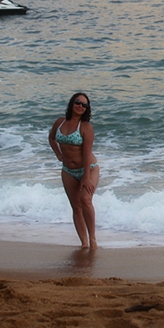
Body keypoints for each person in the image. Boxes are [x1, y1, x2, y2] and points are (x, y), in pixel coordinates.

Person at [49, 92, 99, 248]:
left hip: (88, 168)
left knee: (85, 200)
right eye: (78, 102)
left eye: (84, 105)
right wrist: (58, 154)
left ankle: (93, 239)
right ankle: (84, 243)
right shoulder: (60, 122)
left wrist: (85, 177)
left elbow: (86, 153)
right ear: (72, 103)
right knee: (76, 206)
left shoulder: (85, 127)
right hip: (68, 170)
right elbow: (51, 138)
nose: (80, 106)